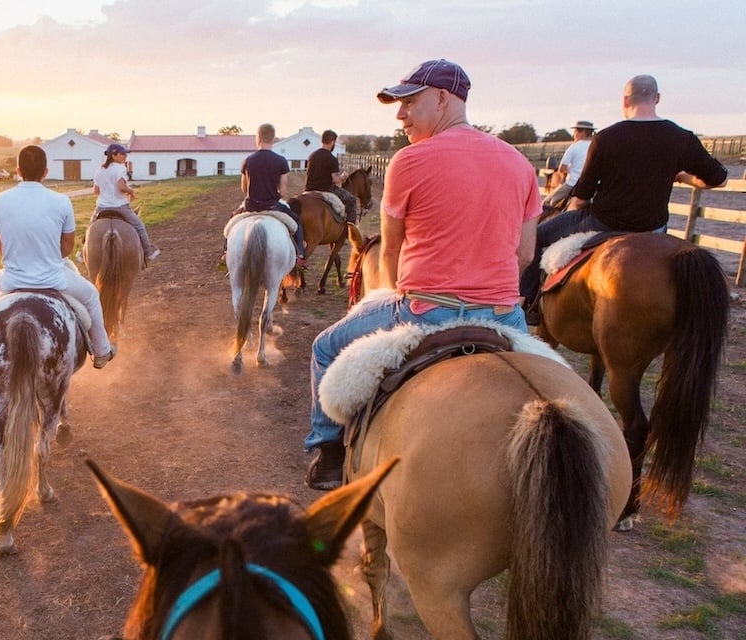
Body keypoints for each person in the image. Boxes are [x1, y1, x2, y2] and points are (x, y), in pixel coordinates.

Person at [304, 59, 540, 490]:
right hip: (505, 317)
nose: (400, 114)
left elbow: (391, 252)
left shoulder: (409, 161)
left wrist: (400, 293)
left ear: (442, 98)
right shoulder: (521, 165)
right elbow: (525, 254)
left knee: (324, 347)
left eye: (410, 102)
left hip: (427, 313)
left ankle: (330, 453)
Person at [520, 75, 728, 319]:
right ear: (657, 98)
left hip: (603, 222)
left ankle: (528, 304)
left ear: (625, 100)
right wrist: (683, 177)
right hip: (653, 228)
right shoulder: (682, 138)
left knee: (538, 236)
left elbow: (583, 194)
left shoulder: (606, 138)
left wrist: (572, 209)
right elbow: (718, 179)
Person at [0, 145, 116, 369]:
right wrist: (45, 252)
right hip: (53, 278)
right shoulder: (61, 201)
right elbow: (67, 247)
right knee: (92, 296)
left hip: (11, 279)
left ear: (18, 171)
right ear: (45, 172)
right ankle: (102, 350)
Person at [239, 123, 307, 267]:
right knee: (297, 223)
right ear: (273, 138)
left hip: (251, 206)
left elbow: (244, 187)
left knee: (232, 220)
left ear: (258, 138)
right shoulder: (281, 161)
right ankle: (300, 254)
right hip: (273, 206)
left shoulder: (248, 161)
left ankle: (226, 250)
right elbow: (282, 191)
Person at [91, 143, 161, 262]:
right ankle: (149, 253)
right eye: (123, 154)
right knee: (140, 227)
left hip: (102, 207)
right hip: (120, 206)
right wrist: (131, 191)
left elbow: (96, 191)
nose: (125, 156)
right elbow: (121, 187)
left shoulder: (100, 169)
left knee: (90, 229)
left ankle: (82, 253)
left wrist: (107, 193)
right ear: (113, 155)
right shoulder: (121, 168)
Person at [304, 129, 360, 222]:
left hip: (308, 189)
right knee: (351, 200)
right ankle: (351, 227)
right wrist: (344, 176)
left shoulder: (312, 156)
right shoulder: (331, 158)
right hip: (325, 189)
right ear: (332, 142)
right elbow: (336, 180)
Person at [541, 120, 595, 212]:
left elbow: (562, 169)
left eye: (575, 132)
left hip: (573, 184)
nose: (573, 135)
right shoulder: (595, 146)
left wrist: (570, 169)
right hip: (593, 186)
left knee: (547, 202)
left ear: (580, 132)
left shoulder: (574, 147)